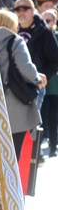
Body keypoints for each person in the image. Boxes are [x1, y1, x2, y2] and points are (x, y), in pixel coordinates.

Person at [0, 9, 43, 156]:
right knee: (14, 154)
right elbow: (25, 67)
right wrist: (38, 79)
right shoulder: (15, 40)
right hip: (15, 105)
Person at [15, 0, 58, 111]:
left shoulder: (44, 31)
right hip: (15, 85)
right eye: (18, 9)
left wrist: (40, 78)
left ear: (33, 10)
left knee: (32, 121)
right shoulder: (12, 29)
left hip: (35, 86)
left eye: (25, 9)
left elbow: (54, 60)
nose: (21, 12)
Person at [41, 8, 58, 158]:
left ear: (54, 21)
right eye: (43, 20)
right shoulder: (39, 36)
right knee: (41, 118)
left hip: (55, 85)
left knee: (53, 117)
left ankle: (53, 146)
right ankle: (38, 150)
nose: (45, 23)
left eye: (48, 20)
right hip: (40, 84)